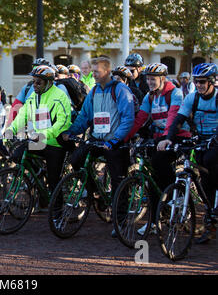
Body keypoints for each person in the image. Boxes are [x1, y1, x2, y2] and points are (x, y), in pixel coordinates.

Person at [61, 57, 135, 236]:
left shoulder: (121, 90)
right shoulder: (94, 92)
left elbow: (128, 119)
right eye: (92, 71)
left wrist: (115, 140)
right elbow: (84, 116)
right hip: (97, 139)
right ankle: (97, 194)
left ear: (107, 72)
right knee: (76, 159)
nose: (93, 75)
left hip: (115, 142)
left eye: (97, 72)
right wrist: (71, 132)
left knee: (119, 181)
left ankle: (121, 220)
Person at [124, 63, 191, 234]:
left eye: (153, 79)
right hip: (160, 138)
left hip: (178, 136)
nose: (150, 82)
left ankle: (175, 194)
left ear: (162, 78)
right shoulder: (150, 96)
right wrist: (124, 138)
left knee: (158, 161)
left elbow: (173, 116)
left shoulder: (174, 93)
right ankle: (154, 221)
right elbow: (140, 119)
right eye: (148, 79)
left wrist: (167, 139)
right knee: (151, 177)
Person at [158, 63, 218, 244]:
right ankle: (210, 219)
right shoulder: (193, 98)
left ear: (212, 82)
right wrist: (169, 138)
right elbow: (179, 119)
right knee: (204, 179)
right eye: (196, 82)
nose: (199, 85)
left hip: (215, 141)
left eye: (202, 82)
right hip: (201, 140)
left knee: (210, 162)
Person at [7, 64, 72, 209]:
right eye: (33, 81)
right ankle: (38, 179)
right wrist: (11, 129)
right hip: (37, 141)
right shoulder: (33, 96)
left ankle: (57, 212)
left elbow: (63, 122)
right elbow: (23, 114)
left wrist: (44, 135)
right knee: (17, 154)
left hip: (55, 143)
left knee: (54, 180)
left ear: (48, 82)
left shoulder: (59, 96)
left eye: (38, 82)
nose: (34, 85)